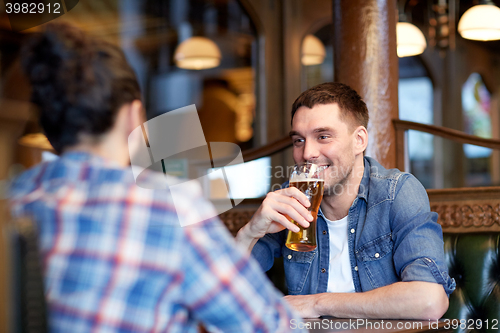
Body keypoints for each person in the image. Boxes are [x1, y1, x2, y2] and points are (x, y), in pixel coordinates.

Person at [9, 23, 304, 333]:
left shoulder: (15, 197)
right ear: (133, 117)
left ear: (50, 129)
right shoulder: (164, 207)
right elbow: (268, 326)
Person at [236, 82, 456, 320]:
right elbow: (219, 290)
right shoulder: (291, 200)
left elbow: (429, 300)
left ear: (359, 140)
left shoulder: (396, 193)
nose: (307, 152)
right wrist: (250, 232)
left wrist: (317, 304)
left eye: (323, 136)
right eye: (299, 140)